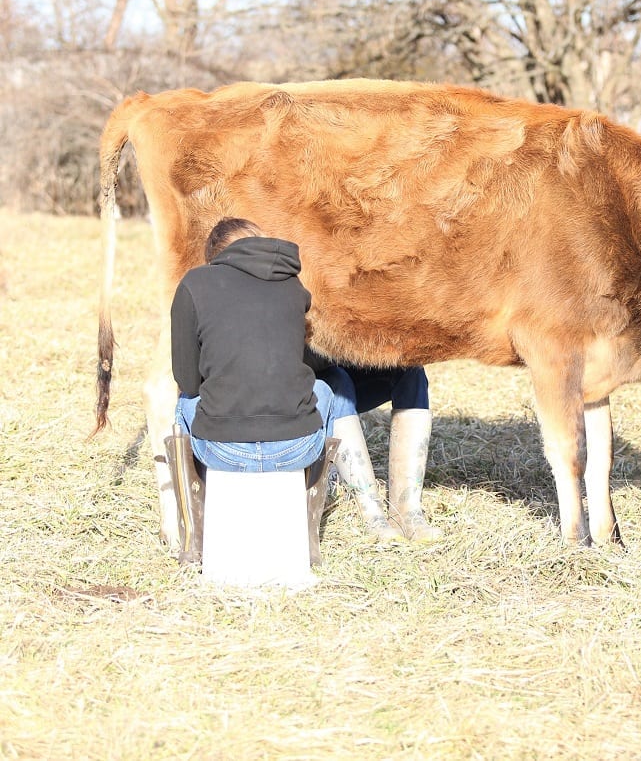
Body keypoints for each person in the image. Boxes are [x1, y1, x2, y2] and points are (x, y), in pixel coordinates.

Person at [167, 217, 401, 566]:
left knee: (183, 402)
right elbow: (304, 358)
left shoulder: (194, 284)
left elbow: (187, 379)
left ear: (215, 256)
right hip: (297, 449)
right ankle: (369, 513)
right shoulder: (293, 286)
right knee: (331, 389)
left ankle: (193, 532)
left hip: (221, 450)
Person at [318, 364, 443, 542]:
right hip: (306, 378)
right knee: (338, 381)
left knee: (411, 370)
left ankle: (407, 511)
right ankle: (372, 517)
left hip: (345, 363)